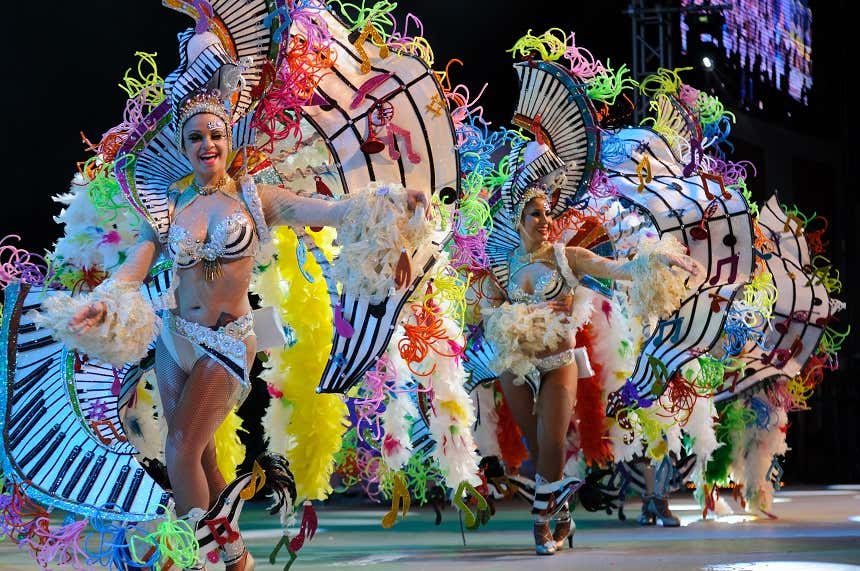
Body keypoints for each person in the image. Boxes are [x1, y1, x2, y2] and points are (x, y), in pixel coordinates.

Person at [46, 82, 430, 570]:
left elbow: (331, 211)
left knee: (179, 449)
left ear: (229, 140)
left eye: (215, 134)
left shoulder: (256, 197)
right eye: (195, 138)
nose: (207, 144)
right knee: (200, 451)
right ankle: (234, 554)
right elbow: (136, 264)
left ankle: (197, 558)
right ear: (183, 148)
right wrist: (107, 301)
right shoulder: (168, 203)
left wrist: (394, 201)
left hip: (227, 343)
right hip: (175, 339)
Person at [480, 142, 701, 555]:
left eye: (548, 213)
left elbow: (619, 269)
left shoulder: (568, 258)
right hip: (515, 364)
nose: (546, 221)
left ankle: (543, 524)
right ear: (519, 218)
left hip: (559, 362)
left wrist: (656, 262)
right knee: (536, 445)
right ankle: (561, 510)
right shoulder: (506, 261)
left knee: (551, 442)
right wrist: (497, 315)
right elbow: (491, 308)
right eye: (536, 214)